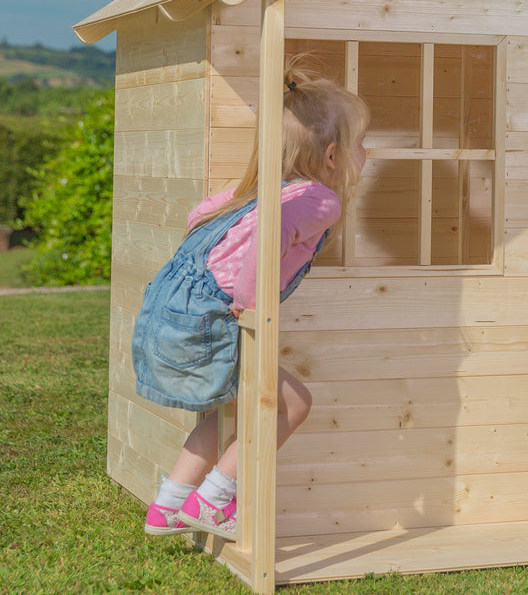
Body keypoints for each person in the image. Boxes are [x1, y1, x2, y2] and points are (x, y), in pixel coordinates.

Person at [133, 59, 369, 541]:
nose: (365, 152)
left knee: (226, 411)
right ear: (330, 156)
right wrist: (249, 302)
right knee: (293, 404)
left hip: (175, 308)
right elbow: (271, 238)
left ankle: (168, 506)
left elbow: (199, 215)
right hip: (221, 313)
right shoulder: (320, 200)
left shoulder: (250, 194)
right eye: (360, 144)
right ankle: (215, 500)